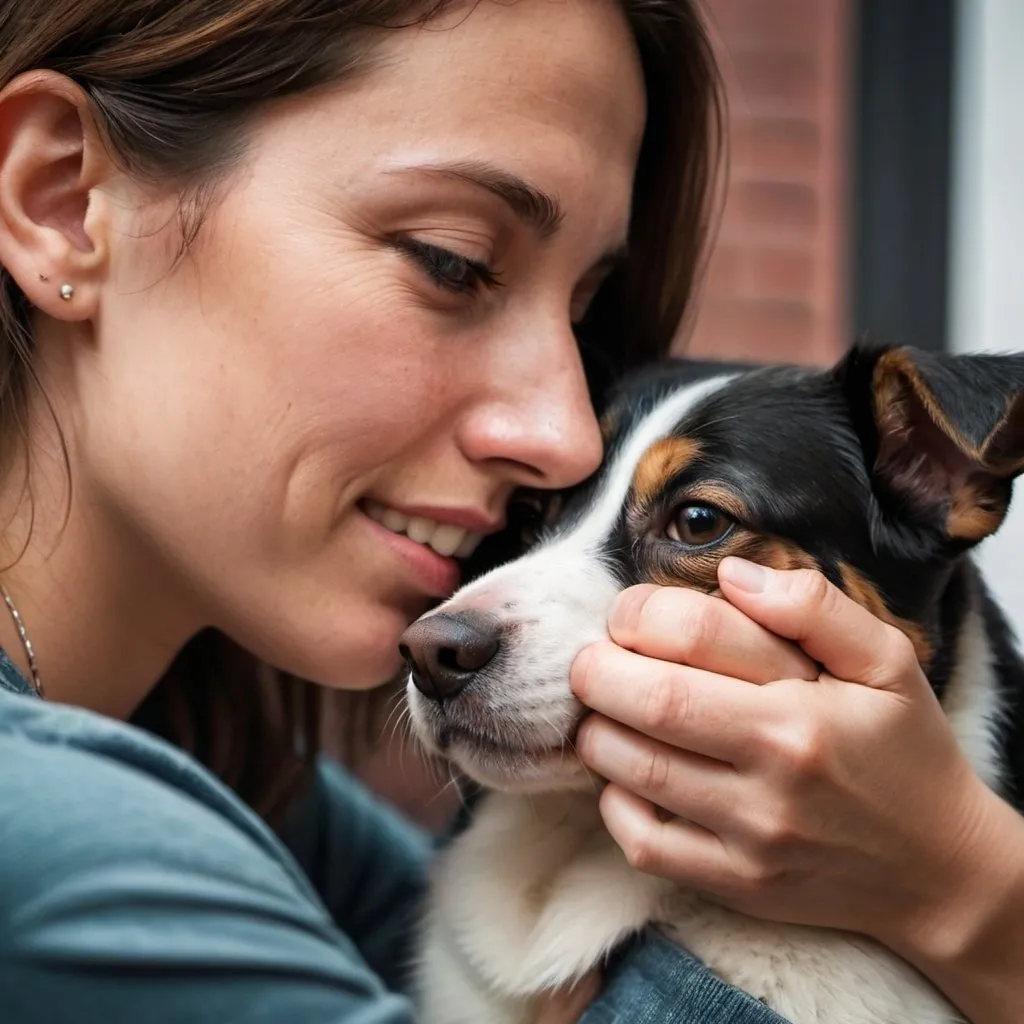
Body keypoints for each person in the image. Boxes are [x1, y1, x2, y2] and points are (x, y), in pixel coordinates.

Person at [0, 1, 1019, 1022]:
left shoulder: (236, 779)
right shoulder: (61, 839)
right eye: (452, 259)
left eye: (579, 312)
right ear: (61, 199)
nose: (566, 435)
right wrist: (936, 902)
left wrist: (958, 879)